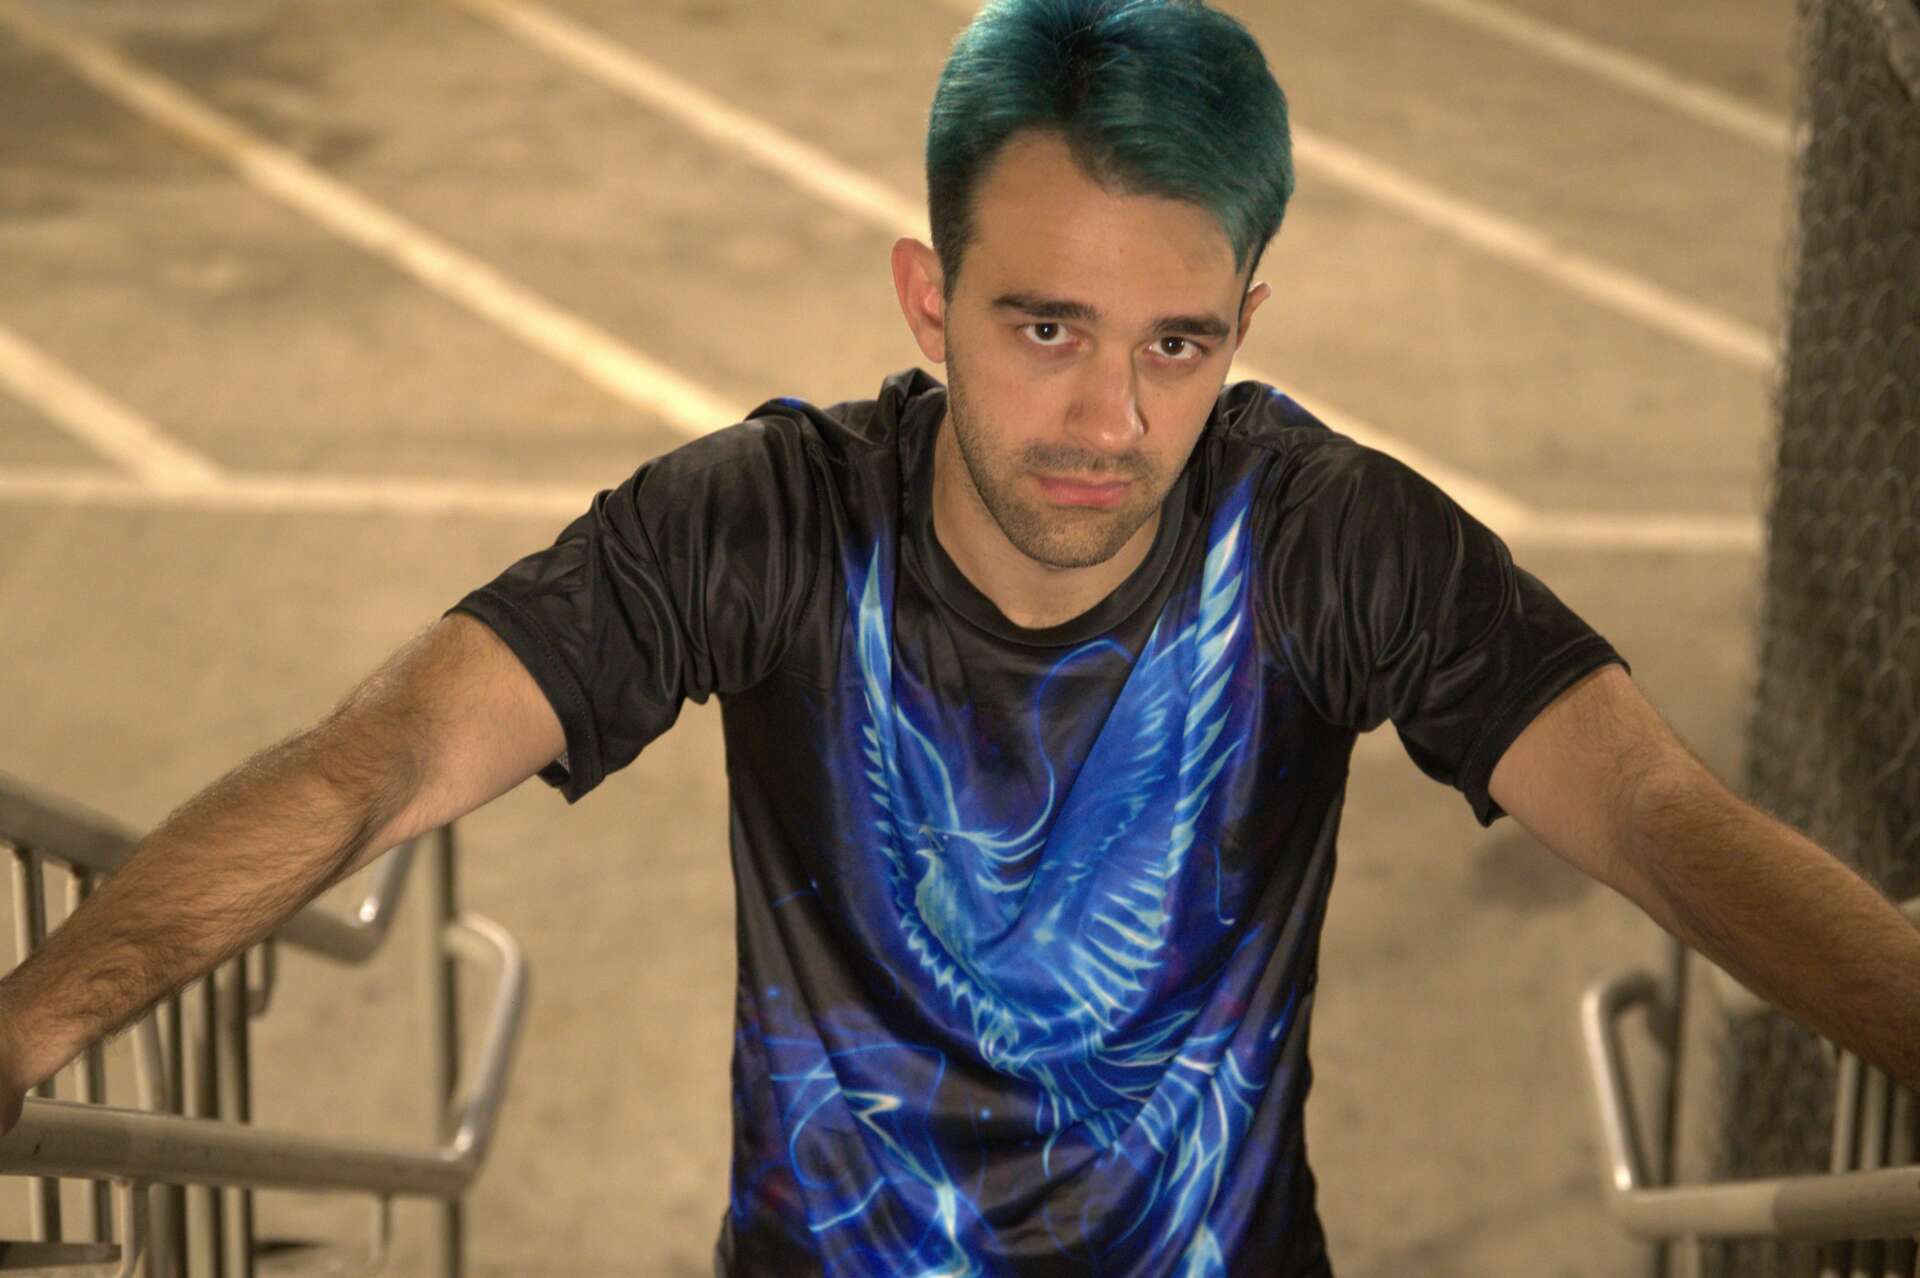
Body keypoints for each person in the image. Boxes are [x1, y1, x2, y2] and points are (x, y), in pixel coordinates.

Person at [3, 1, 1917, 1274]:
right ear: (930, 298)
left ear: (1246, 323)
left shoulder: (1328, 541)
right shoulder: (770, 521)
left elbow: (1653, 813)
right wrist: (29, 1022)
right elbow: (384, 760)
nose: (1109, 419)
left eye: (1178, 343)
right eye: (1044, 325)